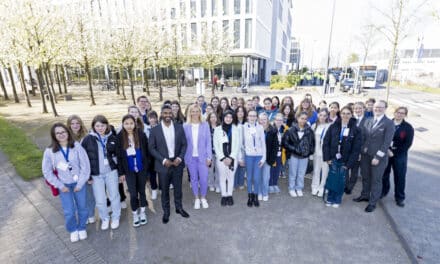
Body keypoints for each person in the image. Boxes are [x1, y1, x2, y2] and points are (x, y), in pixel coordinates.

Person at [42, 123, 90, 242]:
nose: (61, 135)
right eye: (58, 133)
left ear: (68, 132)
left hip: (79, 183)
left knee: (83, 207)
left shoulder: (77, 146)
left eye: (63, 132)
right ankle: (73, 229)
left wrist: (80, 183)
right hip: (64, 186)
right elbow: (47, 171)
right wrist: (60, 185)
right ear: (54, 135)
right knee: (69, 210)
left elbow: (85, 166)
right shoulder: (49, 151)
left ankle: (82, 227)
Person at [148, 104, 189, 224]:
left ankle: (179, 208)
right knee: (164, 190)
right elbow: (152, 148)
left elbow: (184, 145)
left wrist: (180, 158)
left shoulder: (179, 127)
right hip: (163, 164)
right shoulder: (155, 130)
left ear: (173, 114)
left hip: (177, 163)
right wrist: (163, 160)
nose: (168, 115)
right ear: (161, 114)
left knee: (178, 188)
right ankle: (166, 212)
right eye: (165, 113)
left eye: (170, 113)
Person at [81, 115, 121, 230]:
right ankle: (105, 218)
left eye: (102, 125)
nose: (100, 128)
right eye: (97, 126)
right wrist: (87, 175)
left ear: (106, 125)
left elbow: (119, 155)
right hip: (96, 175)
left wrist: (120, 172)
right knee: (100, 199)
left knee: (114, 196)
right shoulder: (88, 139)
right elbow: (83, 160)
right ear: (93, 126)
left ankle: (115, 217)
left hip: (111, 172)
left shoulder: (113, 138)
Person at [354, 100, 394, 213]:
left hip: (378, 158)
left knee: (376, 180)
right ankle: (365, 195)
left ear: (385, 108)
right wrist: (362, 151)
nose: (377, 109)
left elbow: (387, 143)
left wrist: (378, 157)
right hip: (365, 155)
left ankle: (372, 202)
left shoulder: (389, 123)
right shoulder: (369, 120)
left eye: (380, 107)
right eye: (376, 107)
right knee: (365, 177)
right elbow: (364, 137)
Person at [322, 106, 362, 207]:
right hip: (333, 158)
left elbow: (356, 149)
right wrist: (327, 158)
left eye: (348, 113)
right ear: (340, 114)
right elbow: (326, 142)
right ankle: (330, 198)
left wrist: (348, 164)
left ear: (351, 115)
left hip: (345, 160)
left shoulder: (356, 129)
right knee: (332, 178)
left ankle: (337, 200)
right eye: (343, 113)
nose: (345, 115)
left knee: (341, 180)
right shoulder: (333, 126)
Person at [116, 114, 150, 227]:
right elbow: (119, 157)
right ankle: (135, 213)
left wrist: (147, 167)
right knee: (133, 193)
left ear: (135, 123)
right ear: (123, 124)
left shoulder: (141, 134)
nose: (129, 126)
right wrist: (121, 173)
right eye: (126, 123)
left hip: (141, 168)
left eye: (131, 123)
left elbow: (147, 151)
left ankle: (143, 212)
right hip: (129, 170)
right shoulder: (120, 137)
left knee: (142, 191)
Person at [381, 106, 414, 207]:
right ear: (394, 113)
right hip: (386, 153)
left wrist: (394, 153)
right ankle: (384, 191)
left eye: (402, 113)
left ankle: (399, 197)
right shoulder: (387, 123)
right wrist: (387, 150)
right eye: (398, 112)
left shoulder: (408, 127)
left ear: (405, 115)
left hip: (399, 155)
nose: (399, 114)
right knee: (384, 174)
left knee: (400, 177)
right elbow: (381, 138)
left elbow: (407, 144)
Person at [67, 115, 95, 224]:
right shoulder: (66, 138)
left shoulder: (86, 136)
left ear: (81, 124)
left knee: (89, 195)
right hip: (73, 172)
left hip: (85, 170)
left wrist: (89, 174)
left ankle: (91, 214)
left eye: (77, 123)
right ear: (69, 125)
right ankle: (83, 215)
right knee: (77, 196)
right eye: (72, 123)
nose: (75, 126)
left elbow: (90, 154)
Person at [183, 104, 212, 209]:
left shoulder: (205, 125)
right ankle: (196, 198)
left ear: (200, 112)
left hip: (203, 157)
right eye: (192, 111)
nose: (195, 113)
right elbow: (184, 143)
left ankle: (203, 197)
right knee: (194, 179)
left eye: (197, 111)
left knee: (204, 179)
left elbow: (208, 141)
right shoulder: (185, 126)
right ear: (189, 113)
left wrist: (209, 157)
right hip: (191, 158)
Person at [282, 112, 315, 197]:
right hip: (294, 155)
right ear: (297, 118)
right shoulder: (291, 130)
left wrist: (308, 152)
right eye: (302, 118)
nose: (303, 120)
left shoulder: (309, 130)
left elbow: (312, 143)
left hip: (304, 156)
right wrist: (295, 150)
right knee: (293, 173)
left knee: (301, 173)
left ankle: (299, 188)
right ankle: (291, 188)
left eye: (305, 119)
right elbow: (285, 143)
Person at [213, 110, 241, 206]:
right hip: (221, 159)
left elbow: (238, 144)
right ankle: (223, 195)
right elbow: (215, 145)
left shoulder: (236, 129)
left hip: (233, 158)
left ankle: (229, 195)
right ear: (223, 118)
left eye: (230, 117)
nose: (228, 119)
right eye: (226, 117)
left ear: (233, 119)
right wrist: (223, 158)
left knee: (230, 177)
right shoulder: (217, 129)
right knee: (222, 177)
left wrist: (231, 157)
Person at [241, 109, 266, 206]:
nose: (252, 118)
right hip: (248, 156)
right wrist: (242, 157)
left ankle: (255, 196)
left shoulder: (260, 128)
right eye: (250, 116)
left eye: (254, 116)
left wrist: (263, 158)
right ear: (247, 117)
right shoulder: (243, 127)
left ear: (256, 117)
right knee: (249, 177)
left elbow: (263, 144)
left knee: (256, 178)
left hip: (258, 156)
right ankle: (250, 196)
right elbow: (241, 144)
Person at [345, 102, 370, 194]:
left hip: (359, 151)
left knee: (354, 171)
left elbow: (368, 138)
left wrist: (361, 152)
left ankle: (350, 187)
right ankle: (346, 185)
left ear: (364, 109)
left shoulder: (368, 121)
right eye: (356, 108)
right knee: (346, 169)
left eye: (360, 108)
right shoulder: (350, 120)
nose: (358, 110)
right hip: (348, 150)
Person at [311, 109, 331, 197]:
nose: (322, 117)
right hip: (316, 153)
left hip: (326, 153)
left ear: (327, 117)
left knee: (325, 171)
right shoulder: (314, 125)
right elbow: (311, 141)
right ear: (318, 116)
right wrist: (311, 153)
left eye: (324, 115)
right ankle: (314, 186)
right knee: (316, 170)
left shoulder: (330, 126)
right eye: (321, 115)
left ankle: (322, 187)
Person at [258, 112, 278, 201]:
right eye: (261, 119)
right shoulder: (255, 129)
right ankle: (259, 192)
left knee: (266, 177)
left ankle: (265, 192)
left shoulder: (273, 131)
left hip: (268, 158)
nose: (262, 121)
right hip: (257, 158)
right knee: (258, 177)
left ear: (268, 120)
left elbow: (275, 146)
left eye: (264, 119)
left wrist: (272, 159)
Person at [271, 113, 288, 193]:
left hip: (281, 153)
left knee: (277, 169)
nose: (279, 122)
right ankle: (270, 185)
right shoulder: (270, 129)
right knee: (271, 169)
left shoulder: (284, 129)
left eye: (280, 120)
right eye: (277, 120)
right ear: (274, 120)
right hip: (272, 153)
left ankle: (275, 184)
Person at [146, 111, 160, 200]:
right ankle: (154, 189)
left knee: (162, 172)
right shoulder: (145, 128)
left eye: (154, 118)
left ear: (156, 118)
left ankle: (162, 188)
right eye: (150, 118)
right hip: (150, 155)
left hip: (159, 153)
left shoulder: (160, 128)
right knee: (152, 174)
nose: (152, 120)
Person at [207, 112, 221, 193]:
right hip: (209, 152)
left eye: (214, 117)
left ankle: (217, 185)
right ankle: (211, 184)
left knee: (218, 169)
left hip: (218, 152)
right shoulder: (206, 127)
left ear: (217, 118)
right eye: (211, 117)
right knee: (210, 169)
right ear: (209, 118)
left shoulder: (220, 127)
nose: (213, 118)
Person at [234, 106, 247, 189]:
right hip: (235, 148)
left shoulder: (247, 123)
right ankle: (234, 184)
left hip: (245, 148)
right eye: (238, 111)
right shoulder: (233, 124)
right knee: (235, 166)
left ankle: (241, 182)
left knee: (243, 165)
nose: (240, 113)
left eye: (242, 111)